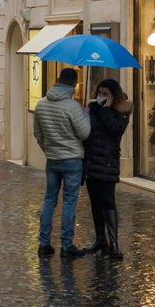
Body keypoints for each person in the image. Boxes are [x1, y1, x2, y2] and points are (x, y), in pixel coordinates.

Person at [33, 68, 91, 258]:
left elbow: (38, 134)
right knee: (69, 202)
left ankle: (44, 243)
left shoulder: (41, 104)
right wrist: (86, 116)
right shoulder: (72, 106)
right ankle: (66, 245)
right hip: (72, 160)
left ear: (57, 80)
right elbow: (84, 133)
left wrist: (49, 149)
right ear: (74, 84)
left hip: (53, 159)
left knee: (49, 199)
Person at [82, 79, 132, 259]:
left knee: (109, 202)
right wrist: (86, 112)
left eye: (105, 94)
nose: (101, 97)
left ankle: (114, 244)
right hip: (92, 162)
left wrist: (104, 110)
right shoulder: (93, 109)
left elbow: (115, 130)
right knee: (95, 203)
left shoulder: (122, 111)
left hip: (108, 163)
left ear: (113, 95)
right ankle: (100, 239)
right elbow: (86, 133)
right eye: (100, 92)